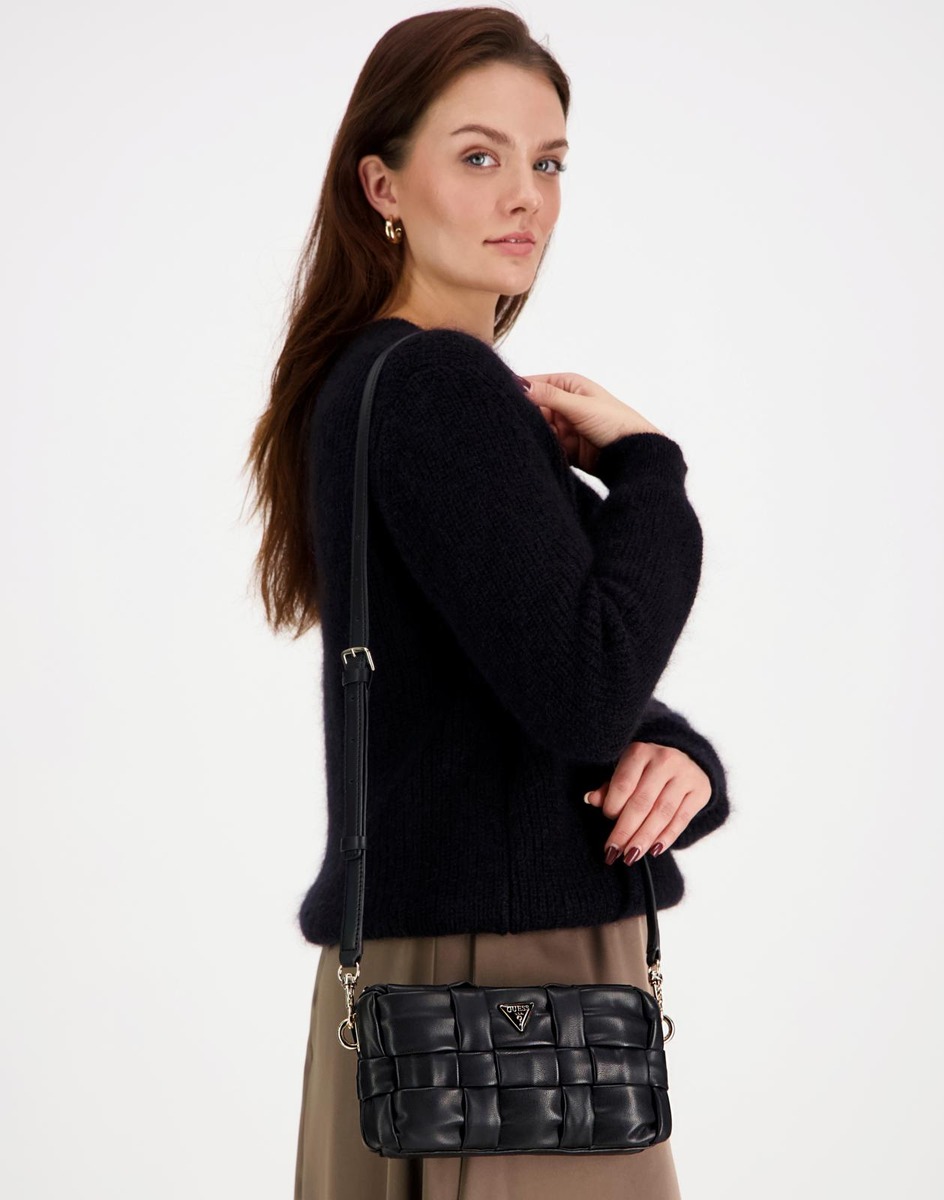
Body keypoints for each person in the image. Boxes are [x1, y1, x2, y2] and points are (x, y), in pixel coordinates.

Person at [244, 9, 732, 1198]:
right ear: (382, 186)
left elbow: (500, 676)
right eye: (479, 156)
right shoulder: (438, 384)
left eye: (548, 162)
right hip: (510, 996)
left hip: (433, 982)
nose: (526, 197)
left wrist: (676, 755)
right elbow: (583, 690)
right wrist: (651, 468)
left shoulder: (374, 381)